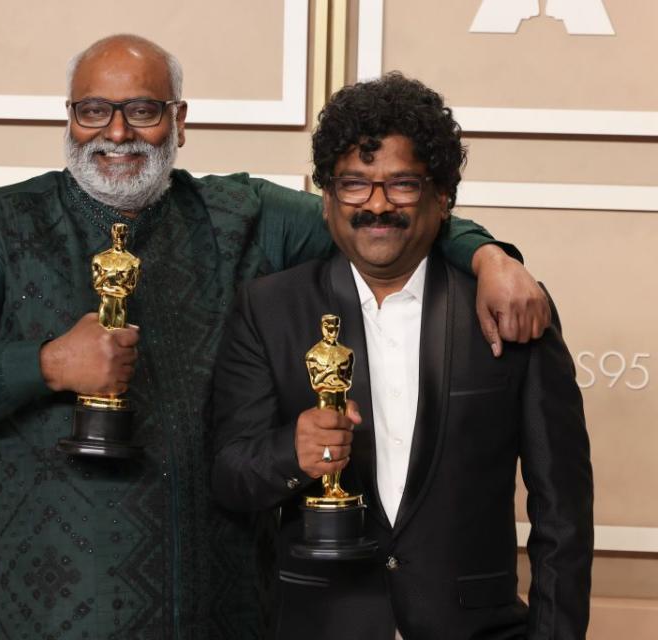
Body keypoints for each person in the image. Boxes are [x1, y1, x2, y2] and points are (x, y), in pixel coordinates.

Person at [0, 34, 552, 639]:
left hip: (220, 610)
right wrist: (46, 364)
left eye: (142, 110)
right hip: (29, 614)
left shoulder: (240, 217)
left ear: (179, 121)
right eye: (93, 111)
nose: (117, 132)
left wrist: (488, 254)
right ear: (70, 119)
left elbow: (373, 221)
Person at [210, 72, 593, 639]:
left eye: (403, 185)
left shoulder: (507, 306)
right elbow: (230, 476)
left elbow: (562, 511)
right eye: (355, 184)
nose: (377, 205)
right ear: (327, 200)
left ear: (443, 198)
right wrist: (290, 453)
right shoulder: (269, 310)